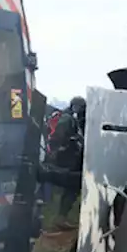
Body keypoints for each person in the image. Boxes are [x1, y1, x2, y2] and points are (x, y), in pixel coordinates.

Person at [43, 96, 86, 227]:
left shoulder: (70, 117)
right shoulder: (68, 118)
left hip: (68, 154)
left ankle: (60, 215)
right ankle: (60, 217)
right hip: (66, 155)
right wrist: (68, 142)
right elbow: (59, 136)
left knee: (70, 185)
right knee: (70, 184)